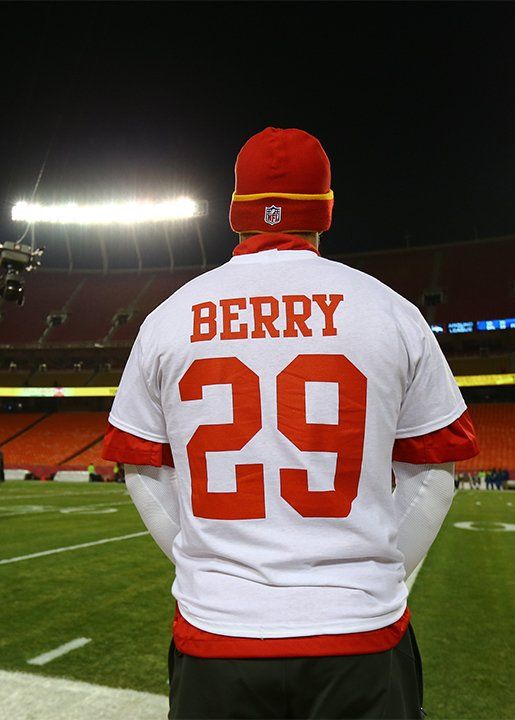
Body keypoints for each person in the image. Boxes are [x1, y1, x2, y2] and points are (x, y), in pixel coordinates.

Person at [102, 128, 479, 719]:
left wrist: (209, 563)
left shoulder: (167, 317)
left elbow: (141, 471)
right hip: (361, 640)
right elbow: (433, 473)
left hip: (216, 636)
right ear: (325, 211)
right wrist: (371, 576)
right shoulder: (390, 309)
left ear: (236, 210)